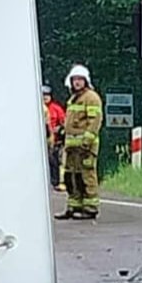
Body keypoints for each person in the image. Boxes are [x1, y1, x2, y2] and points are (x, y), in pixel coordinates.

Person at [57, 64, 103, 219]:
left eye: (80, 79)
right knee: (71, 177)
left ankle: (90, 208)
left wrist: (87, 142)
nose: (77, 82)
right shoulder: (73, 99)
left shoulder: (91, 98)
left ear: (86, 81)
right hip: (72, 148)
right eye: (74, 79)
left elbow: (95, 121)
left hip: (85, 148)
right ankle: (74, 206)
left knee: (86, 177)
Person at [42, 84, 66, 191]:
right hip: (40, 140)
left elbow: (64, 123)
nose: (45, 97)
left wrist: (59, 129)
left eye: (47, 95)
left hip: (54, 140)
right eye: (43, 95)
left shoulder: (56, 108)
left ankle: (55, 181)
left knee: (54, 161)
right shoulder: (37, 108)